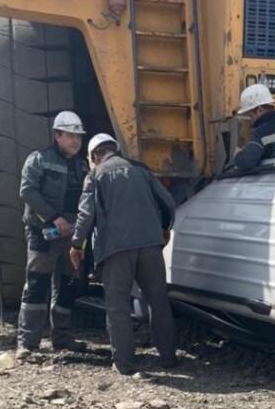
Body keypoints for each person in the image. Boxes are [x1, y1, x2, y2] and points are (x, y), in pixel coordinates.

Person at [70, 133, 177, 375]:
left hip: (116, 250)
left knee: (117, 306)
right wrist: (165, 228)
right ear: (114, 149)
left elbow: (86, 215)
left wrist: (77, 244)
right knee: (158, 301)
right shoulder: (141, 169)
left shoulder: (95, 175)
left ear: (95, 155)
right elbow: (167, 201)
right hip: (150, 246)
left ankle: (125, 364)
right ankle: (168, 358)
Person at [16, 111, 89, 360]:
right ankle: (28, 343)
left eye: (78, 136)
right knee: (37, 285)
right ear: (57, 135)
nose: (76, 141)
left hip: (70, 236)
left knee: (67, 287)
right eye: (70, 135)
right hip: (42, 233)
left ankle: (62, 339)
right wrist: (53, 217)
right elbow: (27, 191)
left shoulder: (82, 165)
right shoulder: (39, 159)